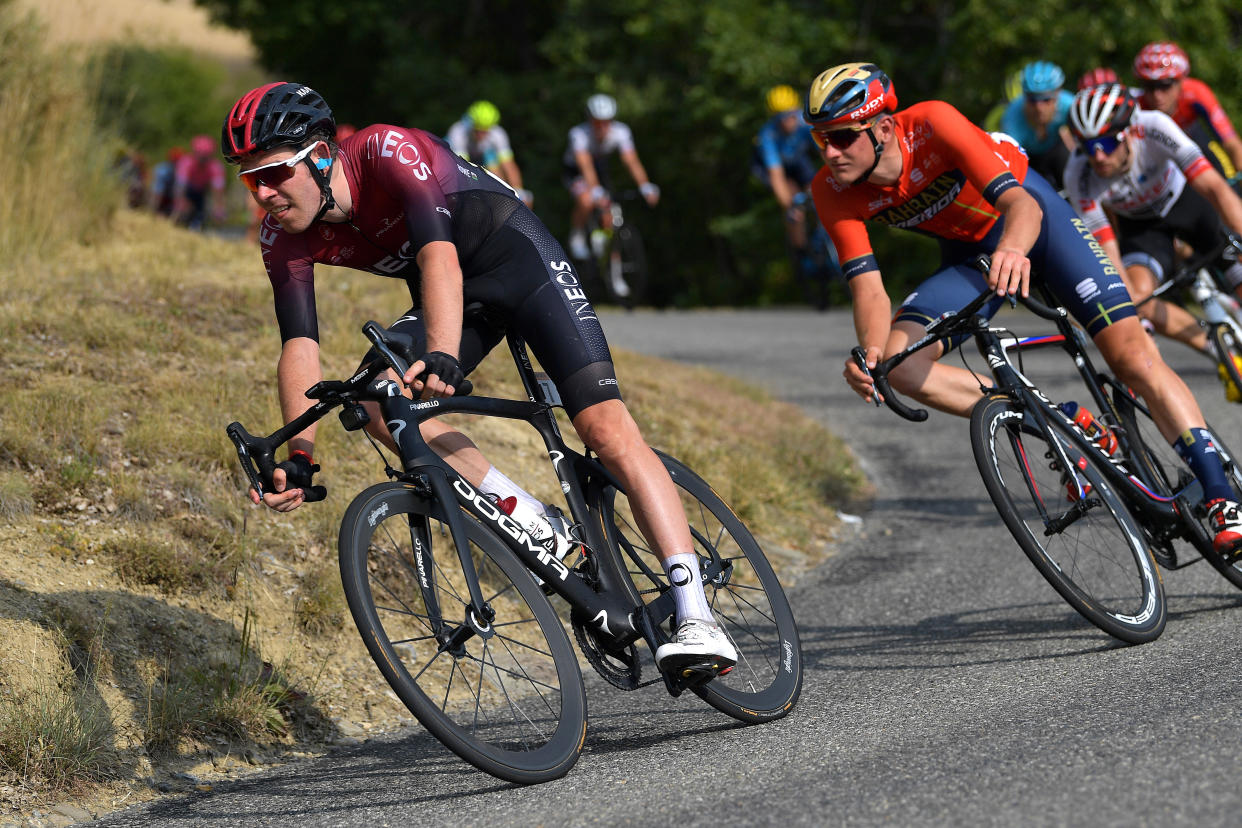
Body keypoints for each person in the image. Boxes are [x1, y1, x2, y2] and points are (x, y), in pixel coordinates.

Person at [221, 81, 736, 671]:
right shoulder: (281, 236)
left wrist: (440, 352)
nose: (262, 193)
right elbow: (299, 343)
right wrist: (300, 454)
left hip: (521, 266)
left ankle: (697, 614)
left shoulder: (384, 151)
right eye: (248, 178)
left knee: (603, 428)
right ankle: (533, 519)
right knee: (377, 400)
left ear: (318, 156)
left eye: (273, 174)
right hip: (456, 297)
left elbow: (438, 254)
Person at [806, 62, 1242, 556]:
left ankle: (1223, 496)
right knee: (899, 367)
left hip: (1037, 221)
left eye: (842, 137)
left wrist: (1014, 250)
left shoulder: (932, 122)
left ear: (883, 127)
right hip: (974, 255)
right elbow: (868, 287)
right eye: (821, 140)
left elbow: (1023, 208)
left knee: (1131, 357)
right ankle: (1063, 421)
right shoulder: (831, 188)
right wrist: (868, 353)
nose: (830, 153)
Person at [1063, 83, 1242, 366]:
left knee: (1238, 271)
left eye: (1107, 143)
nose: (1098, 156)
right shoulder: (1078, 174)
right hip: (1141, 226)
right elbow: (1107, 249)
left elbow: (1214, 188)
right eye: (1087, 146)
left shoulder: (1156, 127)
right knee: (1136, 298)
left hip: (1187, 203)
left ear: (1129, 133)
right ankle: (1224, 356)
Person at [563, 93, 659, 262]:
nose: (602, 127)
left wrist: (645, 185)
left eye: (606, 121)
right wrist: (595, 190)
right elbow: (585, 165)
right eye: (597, 122)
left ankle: (610, 262)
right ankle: (577, 235)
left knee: (610, 213)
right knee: (586, 200)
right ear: (589, 119)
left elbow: (631, 161)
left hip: (600, 169)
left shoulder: (621, 132)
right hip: (576, 171)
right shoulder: (579, 134)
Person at [1134, 41, 1242, 181]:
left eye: (1165, 86)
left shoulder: (1196, 93)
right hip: (1160, 155)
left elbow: (1231, 142)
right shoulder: (1138, 106)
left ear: (1181, 81)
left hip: (1193, 138)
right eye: (1149, 87)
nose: (1157, 95)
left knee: (1219, 165)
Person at [753, 85, 828, 258]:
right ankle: (801, 250)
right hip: (773, 168)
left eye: (791, 115)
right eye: (781, 118)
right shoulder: (767, 136)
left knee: (818, 188)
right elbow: (776, 176)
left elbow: (825, 152)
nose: (787, 122)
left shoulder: (805, 124)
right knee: (794, 202)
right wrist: (791, 205)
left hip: (797, 161)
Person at [998, 60, 1075, 189]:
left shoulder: (1069, 105)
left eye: (1046, 99)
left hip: (1056, 150)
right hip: (1027, 157)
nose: (1039, 107)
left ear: (1057, 95)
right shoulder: (1012, 118)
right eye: (1032, 100)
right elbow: (1009, 164)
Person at [446, 100, 532, 206]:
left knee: (494, 166)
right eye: (477, 131)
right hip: (455, 159)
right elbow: (462, 167)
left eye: (484, 131)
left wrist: (519, 191)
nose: (480, 135)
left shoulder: (498, 134)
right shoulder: (458, 132)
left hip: (482, 156)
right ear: (471, 124)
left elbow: (508, 164)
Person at [174, 134, 226, 230]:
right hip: (187, 190)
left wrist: (218, 209)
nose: (202, 159)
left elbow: (218, 190)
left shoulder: (215, 167)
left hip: (201, 191)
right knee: (181, 213)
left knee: (200, 216)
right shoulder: (185, 162)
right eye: (200, 155)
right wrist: (180, 203)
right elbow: (180, 187)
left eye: (206, 156)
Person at [150, 146, 184, 217]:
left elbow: (180, 193)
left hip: (171, 200)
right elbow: (157, 191)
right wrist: (153, 210)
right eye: (176, 161)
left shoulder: (182, 173)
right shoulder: (162, 170)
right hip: (159, 198)